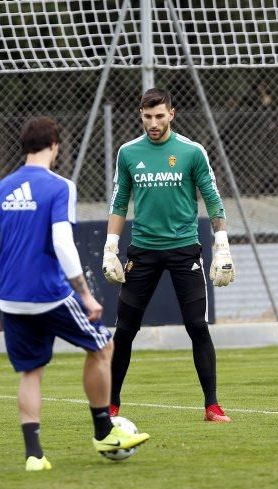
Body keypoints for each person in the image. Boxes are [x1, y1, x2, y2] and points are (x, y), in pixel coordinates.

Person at [0, 116, 150, 471]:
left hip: (10, 299)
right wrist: (85, 294)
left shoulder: (0, 190)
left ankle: (34, 456)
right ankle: (104, 431)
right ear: (55, 145)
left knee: (31, 372)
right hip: (49, 295)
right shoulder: (60, 187)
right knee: (102, 345)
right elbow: (62, 243)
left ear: (24, 147)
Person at [102, 88, 236, 422]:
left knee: (196, 326)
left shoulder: (192, 152)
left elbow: (213, 198)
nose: (154, 123)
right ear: (140, 115)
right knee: (125, 330)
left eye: (160, 116)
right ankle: (112, 404)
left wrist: (221, 245)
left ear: (172, 114)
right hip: (143, 251)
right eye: (148, 117)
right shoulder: (128, 153)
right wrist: (110, 249)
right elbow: (119, 203)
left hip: (183, 250)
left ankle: (212, 406)